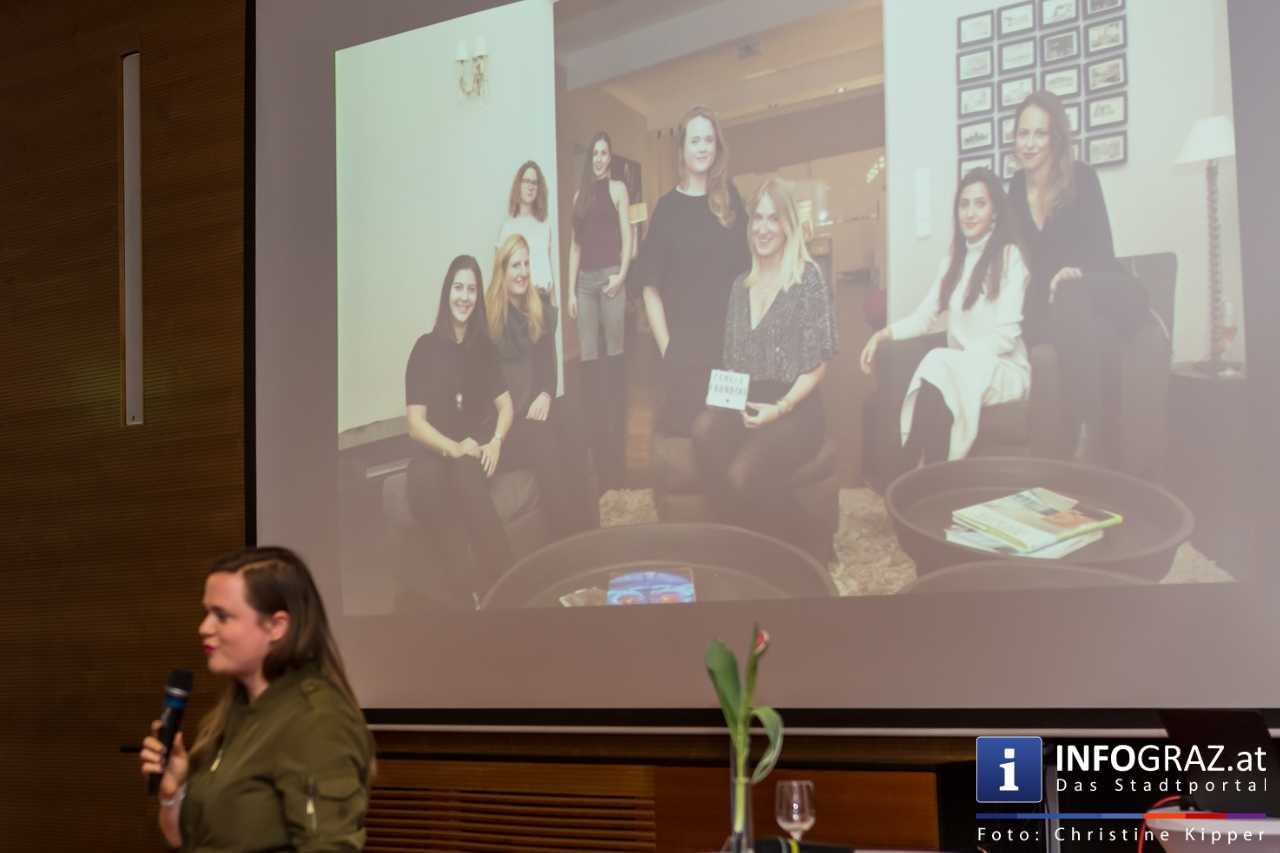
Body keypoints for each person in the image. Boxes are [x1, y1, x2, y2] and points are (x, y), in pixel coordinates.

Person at [138, 546, 374, 851]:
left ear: (276, 626)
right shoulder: (236, 712)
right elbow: (191, 840)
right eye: (206, 613)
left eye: (222, 616)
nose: (204, 628)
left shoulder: (316, 719)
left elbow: (329, 846)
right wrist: (173, 794)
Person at [691, 177, 837, 548]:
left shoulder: (807, 279)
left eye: (773, 218)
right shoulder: (740, 287)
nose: (763, 228)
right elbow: (732, 363)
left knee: (742, 475)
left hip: (795, 407)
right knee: (703, 431)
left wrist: (780, 408)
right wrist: (720, 401)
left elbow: (819, 363)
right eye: (758, 218)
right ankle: (741, 542)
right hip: (748, 401)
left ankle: (810, 541)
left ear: (788, 225)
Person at [860, 167, 1030, 466]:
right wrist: (882, 334)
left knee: (939, 362)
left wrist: (961, 361)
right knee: (940, 374)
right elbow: (924, 317)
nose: (970, 213)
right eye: (964, 204)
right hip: (958, 370)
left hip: (1003, 370)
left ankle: (915, 468)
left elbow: (1006, 337)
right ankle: (926, 473)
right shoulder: (953, 262)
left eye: (980, 204)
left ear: (995, 212)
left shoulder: (1010, 257)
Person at [1006, 90, 1135, 463]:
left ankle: (1090, 434)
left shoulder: (1082, 178)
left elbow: (1103, 252)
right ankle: (1094, 439)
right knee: (1060, 309)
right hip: (1042, 308)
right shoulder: (1014, 188)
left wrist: (1074, 272)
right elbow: (1012, 255)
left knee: (1071, 294)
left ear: (1055, 138)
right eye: (1023, 133)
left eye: (1040, 133)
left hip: (1089, 292)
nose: (1029, 143)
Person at [403, 255, 515, 605]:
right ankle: (465, 595)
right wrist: (453, 447)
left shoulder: (484, 348)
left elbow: (507, 406)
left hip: (471, 450)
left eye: (471, 290)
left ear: (478, 297)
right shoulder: (424, 348)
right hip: (435, 450)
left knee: (466, 472)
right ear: (447, 292)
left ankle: (509, 584)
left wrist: (495, 442)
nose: (464, 297)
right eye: (458, 288)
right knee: (426, 482)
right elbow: (414, 423)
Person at [636, 105, 750, 436]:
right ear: (682, 149)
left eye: (709, 140)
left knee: (726, 437)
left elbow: (749, 276)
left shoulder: (730, 200)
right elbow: (649, 287)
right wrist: (667, 349)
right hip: (684, 357)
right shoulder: (667, 209)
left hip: (729, 352)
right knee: (688, 439)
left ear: (717, 147)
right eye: (695, 140)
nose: (702, 148)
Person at [486, 234, 596, 536]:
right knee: (542, 437)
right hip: (505, 422)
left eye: (526, 264)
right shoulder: (488, 320)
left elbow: (548, 365)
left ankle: (589, 530)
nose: (523, 272)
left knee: (571, 413)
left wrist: (547, 393)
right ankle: (567, 537)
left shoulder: (538, 307)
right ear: (502, 270)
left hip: (534, 409)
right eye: (515, 265)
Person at [566, 132, 632, 487]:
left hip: (611, 278)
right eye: (595, 153)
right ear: (589, 157)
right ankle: (596, 443)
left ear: (610, 157)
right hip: (586, 285)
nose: (600, 158)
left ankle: (617, 441)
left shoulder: (618, 190)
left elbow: (627, 237)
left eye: (605, 153)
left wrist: (621, 276)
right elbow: (575, 247)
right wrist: (571, 292)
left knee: (616, 356)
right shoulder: (580, 196)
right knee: (589, 360)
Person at [498, 160, 557, 304]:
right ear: (518, 185)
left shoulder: (545, 226)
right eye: (526, 181)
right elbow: (500, 272)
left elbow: (548, 266)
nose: (530, 187)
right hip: (521, 300)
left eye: (534, 183)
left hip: (544, 299)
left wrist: (554, 302)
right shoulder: (508, 227)